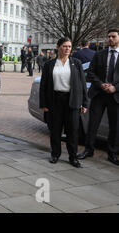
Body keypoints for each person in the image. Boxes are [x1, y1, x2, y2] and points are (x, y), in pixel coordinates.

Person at [39, 37, 88, 167]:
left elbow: (83, 84)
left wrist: (85, 103)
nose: (67, 49)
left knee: (73, 130)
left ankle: (73, 157)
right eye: (65, 46)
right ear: (58, 47)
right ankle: (55, 154)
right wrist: (43, 104)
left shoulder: (76, 63)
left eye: (69, 47)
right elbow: (43, 85)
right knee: (55, 130)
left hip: (72, 100)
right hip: (55, 100)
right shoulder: (49, 64)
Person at [78, 29, 119, 166]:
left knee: (115, 126)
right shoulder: (99, 54)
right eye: (109, 37)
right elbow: (91, 73)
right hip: (99, 95)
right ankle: (88, 150)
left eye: (113, 36)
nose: (110, 39)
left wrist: (115, 87)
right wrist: (101, 85)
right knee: (92, 124)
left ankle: (112, 153)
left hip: (115, 96)